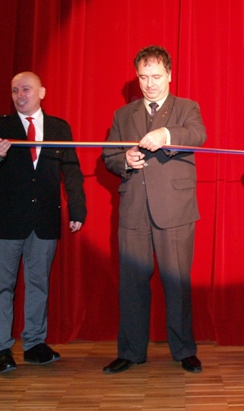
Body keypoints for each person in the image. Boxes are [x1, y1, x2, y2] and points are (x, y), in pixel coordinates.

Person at [101, 45, 207, 374]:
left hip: (175, 209)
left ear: (170, 75)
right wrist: (124, 160)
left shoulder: (187, 107)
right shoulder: (123, 115)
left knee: (177, 283)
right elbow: (108, 156)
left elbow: (198, 135)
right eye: (144, 77)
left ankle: (184, 350)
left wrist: (166, 133)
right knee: (132, 284)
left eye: (156, 76)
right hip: (134, 209)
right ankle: (131, 351)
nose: (150, 84)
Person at [0, 71, 86, 374]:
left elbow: (71, 170)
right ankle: (1, 349)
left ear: (42, 92)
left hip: (44, 219)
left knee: (39, 284)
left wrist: (77, 209)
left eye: (25, 89)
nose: (19, 95)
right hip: (6, 221)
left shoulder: (59, 128)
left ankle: (35, 344)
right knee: (1, 286)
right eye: (14, 90)